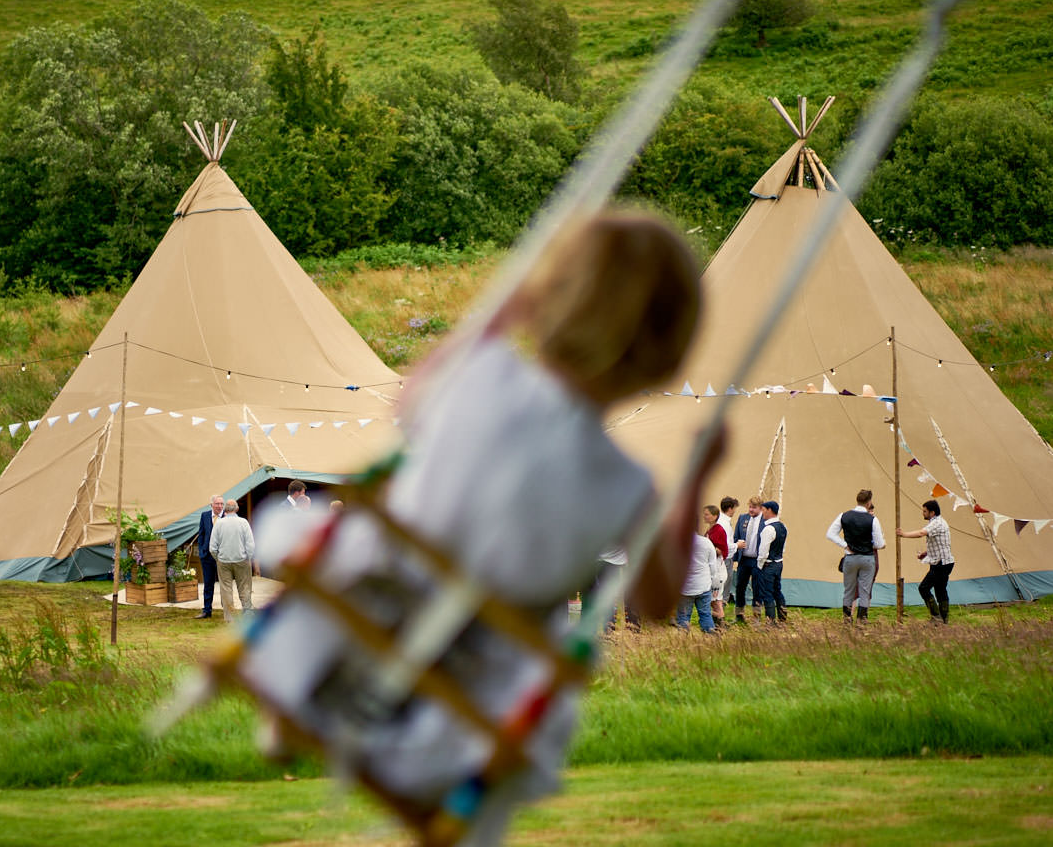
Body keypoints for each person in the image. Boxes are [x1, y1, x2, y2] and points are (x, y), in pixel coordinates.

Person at [241, 211, 714, 843]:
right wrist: (696, 480)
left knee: (356, 553)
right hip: (471, 696)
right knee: (526, 668)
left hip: (366, 609)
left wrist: (498, 316)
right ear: (667, 352)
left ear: (557, 300)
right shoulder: (628, 486)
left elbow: (407, 405)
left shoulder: (484, 374)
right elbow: (655, 602)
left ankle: (300, 680)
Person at [826, 488, 886, 622]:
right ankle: (861, 621)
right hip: (867, 558)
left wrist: (845, 545)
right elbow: (879, 543)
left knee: (849, 590)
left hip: (850, 557)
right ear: (869, 502)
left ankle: (847, 620)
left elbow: (830, 534)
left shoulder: (844, 516)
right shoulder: (873, 520)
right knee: (865, 591)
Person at [898, 498, 954, 623]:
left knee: (924, 588)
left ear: (932, 512)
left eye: (925, 511)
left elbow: (921, 533)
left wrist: (904, 534)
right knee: (940, 589)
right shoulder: (939, 522)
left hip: (941, 563)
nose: (923, 513)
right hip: (943, 561)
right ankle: (944, 619)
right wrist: (926, 553)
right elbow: (941, 544)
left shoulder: (936, 523)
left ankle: (936, 617)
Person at [210, 503, 258, 619]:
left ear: (225, 509)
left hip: (223, 561)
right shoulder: (243, 522)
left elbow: (212, 547)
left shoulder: (219, 523)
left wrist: (218, 558)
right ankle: (247, 612)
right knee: (245, 587)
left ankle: (229, 617)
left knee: (226, 589)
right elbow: (250, 544)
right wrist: (248, 557)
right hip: (242, 560)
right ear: (237, 509)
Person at [676, 528, 722, 633]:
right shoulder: (706, 542)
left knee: (683, 617)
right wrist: (715, 584)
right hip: (703, 586)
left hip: (685, 588)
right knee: (705, 614)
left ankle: (682, 643)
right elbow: (713, 566)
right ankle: (710, 639)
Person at [730, 496, 764, 624]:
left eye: (754, 508)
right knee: (740, 587)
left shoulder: (764, 521)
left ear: (760, 508)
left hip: (757, 560)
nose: (751, 510)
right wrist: (735, 557)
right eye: (750, 507)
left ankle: (756, 617)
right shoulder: (743, 518)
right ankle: (739, 615)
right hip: (744, 559)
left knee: (757, 588)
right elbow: (736, 537)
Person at [754, 500, 787, 623]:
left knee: (767, 593)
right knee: (777, 590)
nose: (762, 513)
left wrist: (759, 566)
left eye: (764, 510)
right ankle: (783, 618)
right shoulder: (783, 527)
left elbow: (763, 552)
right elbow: (783, 548)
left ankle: (770, 621)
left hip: (768, 564)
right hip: (779, 563)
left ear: (769, 510)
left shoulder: (768, 529)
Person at [195, 495, 223, 619]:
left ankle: (227, 611)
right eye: (217, 504)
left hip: (222, 556)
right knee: (208, 584)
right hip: (207, 556)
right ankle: (207, 610)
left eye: (222, 504)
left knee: (224, 584)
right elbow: (201, 534)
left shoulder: (226, 517)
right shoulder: (205, 515)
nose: (220, 506)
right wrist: (201, 551)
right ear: (211, 504)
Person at [701, 505, 728, 627]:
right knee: (714, 601)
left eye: (707, 514)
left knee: (716, 600)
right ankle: (716, 624)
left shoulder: (719, 530)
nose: (704, 516)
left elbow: (722, 550)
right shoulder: (709, 529)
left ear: (715, 516)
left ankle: (720, 625)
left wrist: (708, 548)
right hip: (711, 568)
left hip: (718, 570)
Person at [717, 495, 738, 607]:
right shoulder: (724, 523)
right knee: (724, 587)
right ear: (730, 508)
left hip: (723, 558)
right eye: (734, 508)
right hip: (726, 559)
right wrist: (737, 545)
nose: (735, 511)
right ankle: (720, 614)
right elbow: (725, 545)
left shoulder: (720, 520)